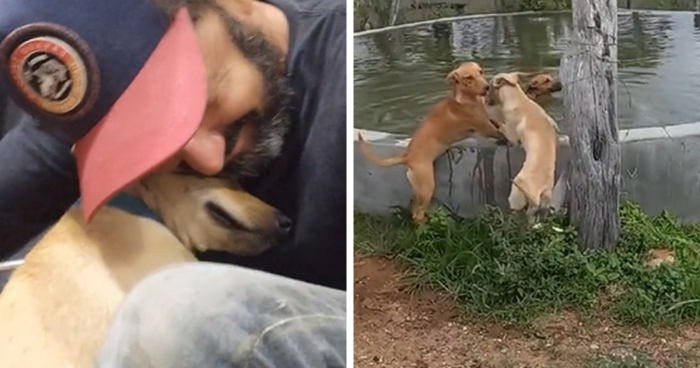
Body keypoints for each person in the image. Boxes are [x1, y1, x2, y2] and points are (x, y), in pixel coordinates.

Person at [0, 0, 347, 366]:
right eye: (154, 141)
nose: (209, 159)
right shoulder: (88, 120)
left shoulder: (339, 89)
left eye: (198, 101)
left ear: (231, 7)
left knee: (179, 315)